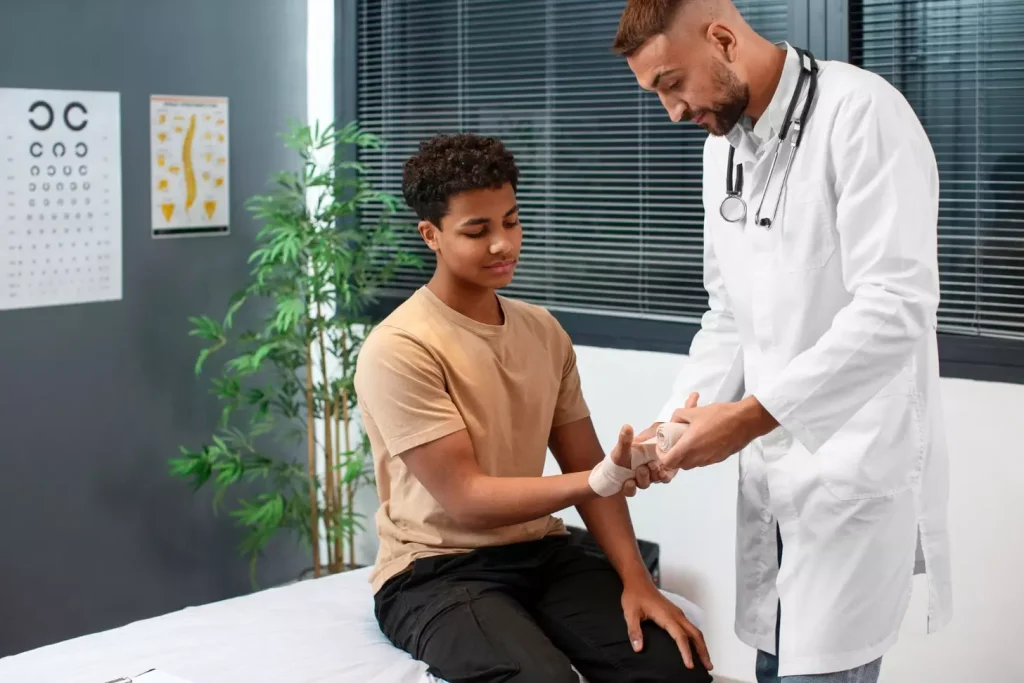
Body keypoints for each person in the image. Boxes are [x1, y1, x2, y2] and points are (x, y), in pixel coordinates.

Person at [611, 1, 953, 682]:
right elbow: (728, 315)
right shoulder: (723, 153)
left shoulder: (862, 115)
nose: (673, 112)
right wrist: (672, 424)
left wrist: (743, 419)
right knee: (778, 660)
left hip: (849, 472)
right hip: (774, 480)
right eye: (658, 94)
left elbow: (896, 306)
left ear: (722, 38)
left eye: (674, 84)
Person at [353, 132, 712, 683]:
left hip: (539, 552)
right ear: (432, 235)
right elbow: (467, 499)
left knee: (672, 668)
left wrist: (639, 581)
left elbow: (586, 464)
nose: (503, 244)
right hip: (434, 571)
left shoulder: (542, 331)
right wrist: (597, 479)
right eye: (477, 230)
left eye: (511, 221)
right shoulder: (400, 347)